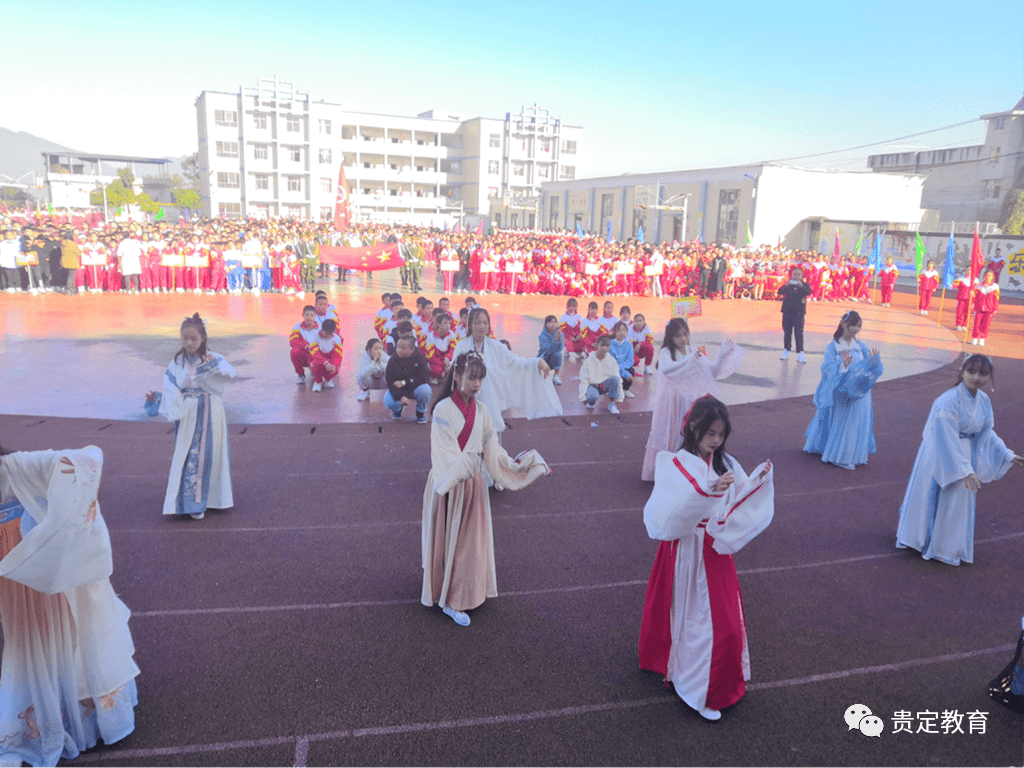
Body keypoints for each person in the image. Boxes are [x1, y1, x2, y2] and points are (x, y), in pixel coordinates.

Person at [0, 446, 140, 767]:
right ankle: (51, 714)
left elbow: (85, 458)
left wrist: (57, 531)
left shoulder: (17, 466)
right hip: (13, 581)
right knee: (27, 646)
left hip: (41, 574)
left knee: (56, 641)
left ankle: (69, 717)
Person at [639, 396, 774, 721]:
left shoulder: (725, 461)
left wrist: (758, 482)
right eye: (710, 433)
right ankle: (697, 686)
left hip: (714, 550)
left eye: (721, 434)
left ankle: (708, 681)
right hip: (686, 551)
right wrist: (711, 490)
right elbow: (672, 508)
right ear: (693, 428)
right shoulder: (675, 461)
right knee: (694, 618)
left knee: (722, 623)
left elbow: (739, 495)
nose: (715, 440)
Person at [420, 352, 550, 626]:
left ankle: (463, 593)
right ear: (456, 377)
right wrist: (468, 464)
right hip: (450, 484)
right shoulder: (443, 409)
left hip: (472, 484)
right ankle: (449, 599)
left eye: (480, 378)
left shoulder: (482, 411)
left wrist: (519, 466)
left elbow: (493, 452)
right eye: (471, 377)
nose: (477, 384)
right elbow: (444, 454)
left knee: (469, 545)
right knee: (451, 542)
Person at [896, 354, 1022, 565]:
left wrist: (1007, 453)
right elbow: (945, 438)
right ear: (962, 371)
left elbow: (986, 432)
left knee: (957, 501)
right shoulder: (948, 400)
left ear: (989, 376)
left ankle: (948, 546)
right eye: (971, 371)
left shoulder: (983, 401)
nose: (976, 377)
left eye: (983, 373)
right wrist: (965, 470)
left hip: (964, 454)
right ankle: (922, 540)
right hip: (939, 453)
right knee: (938, 495)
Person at [144, 314, 236, 519]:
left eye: (193, 338)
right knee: (189, 455)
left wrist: (214, 369)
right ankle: (193, 503)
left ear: (202, 337)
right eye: (184, 338)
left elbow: (229, 375)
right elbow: (172, 389)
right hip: (188, 413)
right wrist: (158, 399)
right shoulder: (177, 362)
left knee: (210, 454)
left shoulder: (214, 357)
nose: (189, 343)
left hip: (211, 410)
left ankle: (212, 498)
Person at [641, 318, 744, 481]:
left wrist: (723, 353)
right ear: (670, 337)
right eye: (677, 336)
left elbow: (712, 371)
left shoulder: (692, 350)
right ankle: (665, 472)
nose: (682, 339)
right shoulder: (666, 352)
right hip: (672, 401)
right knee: (671, 432)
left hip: (689, 400)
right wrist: (690, 360)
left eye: (685, 334)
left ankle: (686, 472)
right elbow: (666, 368)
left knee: (688, 433)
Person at [452, 307, 561, 438]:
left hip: (492, 402)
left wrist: (537, 362)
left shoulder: (497, 346)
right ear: (470, 324)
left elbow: (517, 363)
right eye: (477, 322)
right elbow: (455, 374)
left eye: (485, 322)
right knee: (469, 444)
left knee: (493, 444)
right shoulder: (462, 346)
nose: (482, 326)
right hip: (467, 402)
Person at [803, 311, 883, 470]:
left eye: (859, 326)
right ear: (844, 324)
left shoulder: (861, 346)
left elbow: (867, 367)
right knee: (847, 423)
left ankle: (854, 455)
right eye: (854, 325)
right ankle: (840, 456)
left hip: (861, 392)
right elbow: (826, 368)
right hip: (843, 392)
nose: (856, 329)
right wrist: (843, 365)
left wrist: (875, 363)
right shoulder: (833, 347)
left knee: (858, 422)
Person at [384, 336, 432, 423]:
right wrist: (400, 397)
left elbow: (423, 378)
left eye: (403, 348)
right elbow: (390, 383)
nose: (399, 350)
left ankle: (420, 412)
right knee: (388, 401)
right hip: (398, 389)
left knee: (426, 390)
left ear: (412, 350)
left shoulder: (420, 358)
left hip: (415, 387)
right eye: (398, 347)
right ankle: (397, 410)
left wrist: (404, 382)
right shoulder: (392, 361)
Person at [579, 335, 622, 414]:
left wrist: (620, 397)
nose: (604, 348)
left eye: (607, 345)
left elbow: (618, 378)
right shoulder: (589, 361)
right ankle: (591, 402)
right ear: (596, 345)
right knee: (592, 397)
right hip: (593, 385)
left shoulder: (611, 361)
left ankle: (612, 404)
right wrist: (582, 397)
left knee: (615, 379)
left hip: (605, 385)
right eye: (602, 345)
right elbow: (584, 379)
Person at [778, 267, 812, 362]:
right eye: (795, 274)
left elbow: (809, 292)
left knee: (799, 333)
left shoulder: (805, 285)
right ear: (792, 275)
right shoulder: (788, 284)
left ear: (801, 276)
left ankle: (800, 352)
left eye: (798, 274)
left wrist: (801, 285)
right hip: (787, 312)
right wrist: (786, 285)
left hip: (799, 313)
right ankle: (786, 351)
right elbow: (780, 291)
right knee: (787, 332)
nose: (796, 276)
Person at [289, 305, 322, 384]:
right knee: (294, 351)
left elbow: (323, 343)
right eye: (307, 315)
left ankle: (315, 371)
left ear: (315, 316)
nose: (309, 317)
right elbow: (293, 341)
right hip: (303, 354)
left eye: (311, 315)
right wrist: (306, 346)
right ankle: (301, 375)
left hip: (315, 355)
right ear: (303, 315)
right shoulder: (297, 327)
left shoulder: (320, 328)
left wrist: (313, 348)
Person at [309, 318, 343, 393]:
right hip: (318, 359)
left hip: (330, 358)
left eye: (331, 333)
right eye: (326, 333)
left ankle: (328, 379)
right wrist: (325, 363)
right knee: (316, 364)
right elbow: (315, 353)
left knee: (334, 368)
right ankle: (317, 382)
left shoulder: (336, 338)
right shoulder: (314, 336)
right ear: (322, 329)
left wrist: (334, 364)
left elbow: (338, 354)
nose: (328, 336)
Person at [971, 270, 1000, 347]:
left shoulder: (995, 287)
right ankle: (975, 338)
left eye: (990, 275)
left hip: (989, 309)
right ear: (984, 276)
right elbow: (974, 298)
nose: (988, 277)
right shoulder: (978, 286)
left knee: (986, 325)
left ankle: (982, 339)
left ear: (993, 277)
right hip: (979, 308)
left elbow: (996, 299)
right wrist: (972, 296)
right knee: (977, 324)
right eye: (986, 275)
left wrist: (995, 309)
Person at [609, 322, 636, 399]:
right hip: (612, 367)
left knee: (631, 370)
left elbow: (630, 361)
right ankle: (611, 388)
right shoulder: (610, 344)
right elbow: (610, 362)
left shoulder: (629, 344)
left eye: (624, 330)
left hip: (622, 366)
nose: (622, 333)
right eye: (619, 330)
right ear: (615, 332)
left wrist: (620, 367)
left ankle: (625, 389)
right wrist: (625, 373)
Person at [537, 315, 564, 386]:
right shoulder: (542, 336)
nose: (553, 324)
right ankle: (540, 375)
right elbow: (547, 351)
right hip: (544, 358)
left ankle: (556, 376)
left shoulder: (560, 334)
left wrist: (560, 341)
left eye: (555, 322)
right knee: (538, 377)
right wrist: (555, 341)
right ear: (545, 324)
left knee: (558, 355)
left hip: (553, 358)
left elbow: (560, 349)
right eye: (550, 322)